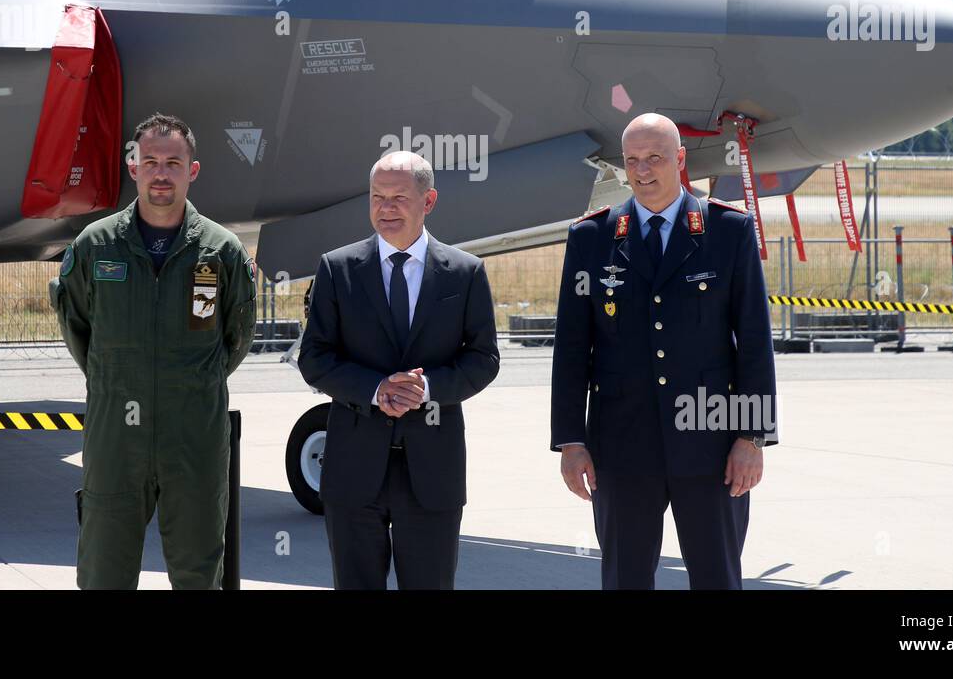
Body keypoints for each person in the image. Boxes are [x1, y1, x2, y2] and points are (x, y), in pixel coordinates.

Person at [551, 112, 778, 589]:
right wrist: (571, 442)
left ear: (679, 159)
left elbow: (754, 341)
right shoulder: (591, 238)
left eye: (654, 158)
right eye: (632, 160)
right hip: (622, 447)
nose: (643, 170)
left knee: (717, 576)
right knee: (625, 579)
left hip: (712, 442)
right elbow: (572, 350)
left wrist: (752, 439)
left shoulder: (727, 230)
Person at [49, 112, 257, 589]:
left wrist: (189, 385)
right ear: (134, 167)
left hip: (195, 441)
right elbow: (78, 327)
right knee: (104, 572)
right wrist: (117, 380)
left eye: (174, 163)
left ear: (193, 171)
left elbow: (235, 338)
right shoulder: (96, 247)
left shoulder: (221, 253)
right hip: (115, 440)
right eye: (151, 161)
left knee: (199, 573)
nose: (162, 173)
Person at [297, 150, 499, 589]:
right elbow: (314, 358)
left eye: (398, 198)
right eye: (377, 197)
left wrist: (425, 389)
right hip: (353, 473)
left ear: (428, 202)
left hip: (432, 474)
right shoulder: (338, 269)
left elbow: (484, 359)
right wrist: (375, 389)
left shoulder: (465, 273)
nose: (385, 209)